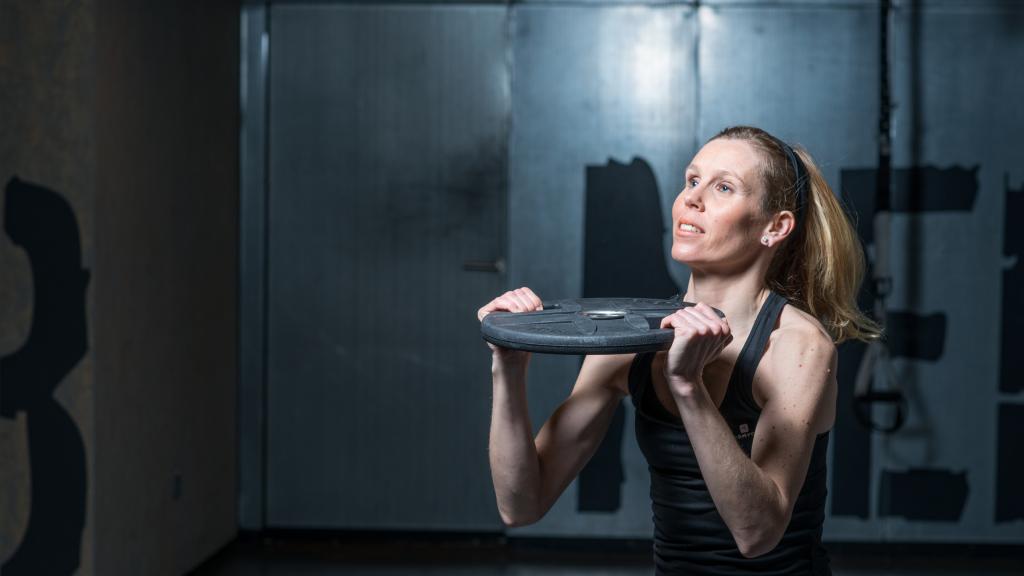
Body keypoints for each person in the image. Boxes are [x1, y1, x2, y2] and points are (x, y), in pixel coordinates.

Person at [477, 125, 881, 575]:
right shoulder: (631, 343)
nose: (692, 198)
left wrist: (688, 388)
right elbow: (521, 504)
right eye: (692, 181)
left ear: (775, 228)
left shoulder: (798, 347)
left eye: (723, 187)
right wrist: (507, 367)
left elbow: (757, 534)